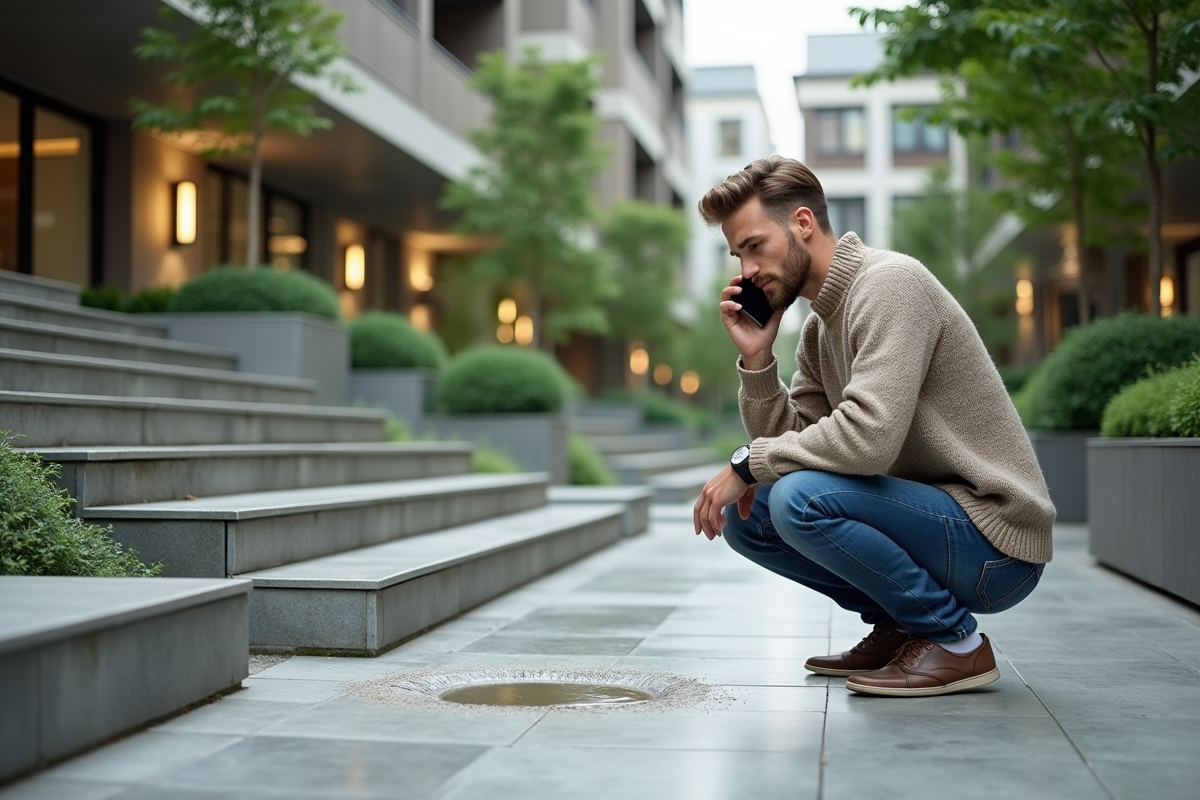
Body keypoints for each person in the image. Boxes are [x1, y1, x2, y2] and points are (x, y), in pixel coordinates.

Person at [691, 156, 1055, 697]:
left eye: (754, 246)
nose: (746, 271)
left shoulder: (891, 285)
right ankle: (902, 625)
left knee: (797, 498)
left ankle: (956, 643)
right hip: (932, 521)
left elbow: (867, 438)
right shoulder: (820, 326)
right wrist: (758, 361)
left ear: (803, 223)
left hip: (996, 544)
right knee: (753, 516)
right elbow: (800, 437)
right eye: (738, 254)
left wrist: (748, 464)